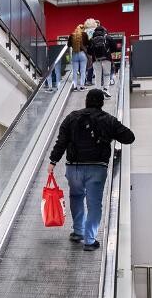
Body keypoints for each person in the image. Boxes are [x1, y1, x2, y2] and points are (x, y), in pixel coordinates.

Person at [48, 88, 135, 251]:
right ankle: (89, 240)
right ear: (102, 102)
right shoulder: (108, 119)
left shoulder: (72, 117)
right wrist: (110, 135)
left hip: (73, 168)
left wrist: (53, 161)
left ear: (86, 100)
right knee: (94, 204)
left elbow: (61, 141)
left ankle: (78, 231)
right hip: (97, 167)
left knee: (76, 197)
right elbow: (129, 137)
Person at [84, 18, 112, 97]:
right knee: (106, 74)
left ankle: (98, 90)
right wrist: (109, 51)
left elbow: (89, 49)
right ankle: (106, 89)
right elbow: (113, 46)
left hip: (95, 58)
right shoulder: (105, 34)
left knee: (97, 74)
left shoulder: (88, 33)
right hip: (106, 56)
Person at [67, 24, 88, 90]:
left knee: (75, 71)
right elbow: (88, 43)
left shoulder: (72, 35)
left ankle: (75, 86)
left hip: (74, 54)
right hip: (82, 54)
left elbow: (68, 45)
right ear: (83, 29)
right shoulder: (84, 35)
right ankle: (82, 86)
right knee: (83, 71)